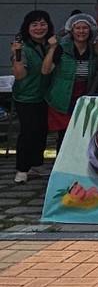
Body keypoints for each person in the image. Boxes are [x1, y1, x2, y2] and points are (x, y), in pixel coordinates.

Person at [42, 13, 98, 152]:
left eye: (85, 28)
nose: (81, 31)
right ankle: (61, 161)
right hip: (63, 95)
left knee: (82, 133)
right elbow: (46, 70)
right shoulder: (62, 47)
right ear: (71, 30)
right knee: (65, 134)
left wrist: (91, 94)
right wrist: (52, 49)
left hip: (84, 94)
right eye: (77, 28)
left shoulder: (94, 49)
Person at [10, 11, 54, 182]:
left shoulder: (50, 44)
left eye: (43, 24)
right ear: (27, 28)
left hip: (45, 95)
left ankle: (37, 164)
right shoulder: (22, 47)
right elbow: (19, 75)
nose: (39, 28)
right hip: (26, 96)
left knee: (42, 130)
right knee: (29, 131)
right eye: (34, 25)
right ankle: (22, 168)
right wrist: (17, 57)